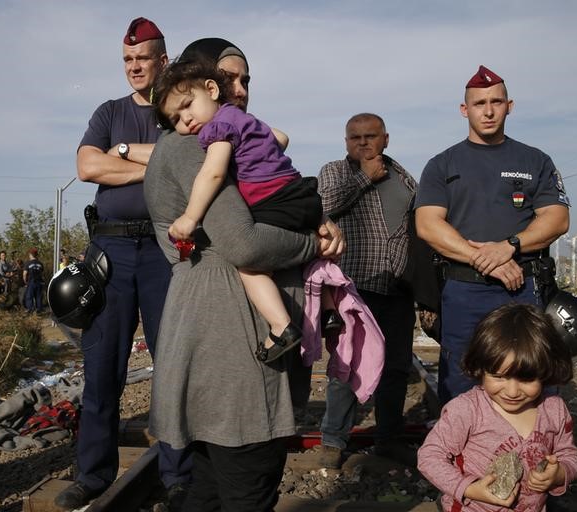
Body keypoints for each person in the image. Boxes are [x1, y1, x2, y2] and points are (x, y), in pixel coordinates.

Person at [144, 37, 344, 511]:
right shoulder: (196, 143)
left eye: (244, 80)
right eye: (228, 78)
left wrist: (316, 218)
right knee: (247, 483)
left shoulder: (216, 137)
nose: (240, 89)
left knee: (213, 484)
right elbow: (243, 243)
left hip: (212, 328)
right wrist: (313, 245)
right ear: (200, 80)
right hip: (229, 335)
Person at [54, 18, 190, 510]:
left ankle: (178, 472)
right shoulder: (108, 111)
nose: (134, 67)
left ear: (163, 61)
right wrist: (158, 162)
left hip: (163, 252)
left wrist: (126, 155)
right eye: (128, 60)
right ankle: (92, 474)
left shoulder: (179, 111)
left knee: (171, 366)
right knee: (102, 367)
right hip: (109, 255)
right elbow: (88, 166)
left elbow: (188, 159)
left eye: (143, 59)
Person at [153, 57, 333, 363]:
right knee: (304, 250)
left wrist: (190, 218)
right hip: (300, 193)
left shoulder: (218, 128)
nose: (185, 120)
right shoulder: (242, 119)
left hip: (273, 200)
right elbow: (282, 138)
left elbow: (213, 174)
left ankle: (281, 326)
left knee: (249, 265)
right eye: (175, 119)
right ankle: (329, 308)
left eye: (187, 105)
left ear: (211, 89)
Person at [415, 65, 570, 406]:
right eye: (479, 103)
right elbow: (427, 224)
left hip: (522, 288)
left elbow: (557, 219)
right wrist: (484, 260)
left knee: (530, 375)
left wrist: (509, 246)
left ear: (509, 106)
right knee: (461, 378)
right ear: (463, 109)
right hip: (464, 290)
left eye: (496, 102)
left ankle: (532, 455)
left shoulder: (535, 160)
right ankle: (460, 458)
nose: (488, 111)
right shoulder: (442, 164)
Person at [317, 113, 418, 467]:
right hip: (355, 288)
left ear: (385, 139)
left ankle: (388, 437)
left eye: (370, 136)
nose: (362, 143)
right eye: (354, 137)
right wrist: (364, 178)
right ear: (345, 142)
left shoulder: (404, 177)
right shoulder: (336, 171)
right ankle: (333, 441)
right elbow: (322, 206)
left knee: (396, 367)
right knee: (348, 365)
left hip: (398, 287)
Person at [417, 303, 577, 511]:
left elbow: (568, 453)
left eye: (527, 378)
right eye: (498, 376)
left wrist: (560, 473)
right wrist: (469, 488)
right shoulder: (467, 410)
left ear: (546, 371)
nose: (512, 392)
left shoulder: (554, 410)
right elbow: (429, 456)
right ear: (480, 368)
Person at [23, 248, 44, 313]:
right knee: (38, 296)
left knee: (29, 296)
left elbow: (24, 274)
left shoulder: (28, 263)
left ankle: (30, 309)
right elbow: (42, 273)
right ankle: (39, 310)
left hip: (31, 282)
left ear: (30, 255)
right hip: (39, 282)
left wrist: (25, 282)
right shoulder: (40, 263)